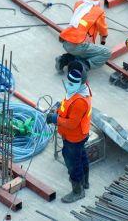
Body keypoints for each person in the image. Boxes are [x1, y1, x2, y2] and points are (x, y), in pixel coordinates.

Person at [46, 62, 92, 203]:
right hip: (80, 135)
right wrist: (59, 108)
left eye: (72, 82)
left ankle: (78, 191)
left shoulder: (79, 102)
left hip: (74, 137)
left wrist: (55, 118)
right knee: (81, 156)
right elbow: (67, 104)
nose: (68, 84)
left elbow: (72, 124)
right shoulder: (79, 90)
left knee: (73, 163)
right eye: (69, 80)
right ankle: (85, 182)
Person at [56, 0, 111, 73]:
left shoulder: (78, 4)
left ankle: (63, 59)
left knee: (83, 51)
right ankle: (83, 66)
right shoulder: (99, 12)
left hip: (66, 41)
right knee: (106, 52)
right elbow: (103, 30)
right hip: (79, 45)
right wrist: (103, 40)